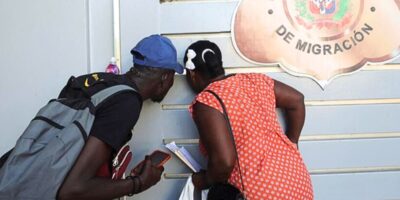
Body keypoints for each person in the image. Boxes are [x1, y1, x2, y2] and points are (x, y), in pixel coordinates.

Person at [55, 34, 183, 199]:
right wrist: (139, 183)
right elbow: (72, 190)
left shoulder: (96, 83)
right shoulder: (126, 103)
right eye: (173, 76)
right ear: (165, 77)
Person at [184, 41, 313, 199]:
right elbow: (297, 100)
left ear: (192, 74)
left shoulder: (207, 100)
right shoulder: (255, 80)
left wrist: (204, 180)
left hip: (263, 190)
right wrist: (292, 142)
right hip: (298, 180)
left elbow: (224, 162)